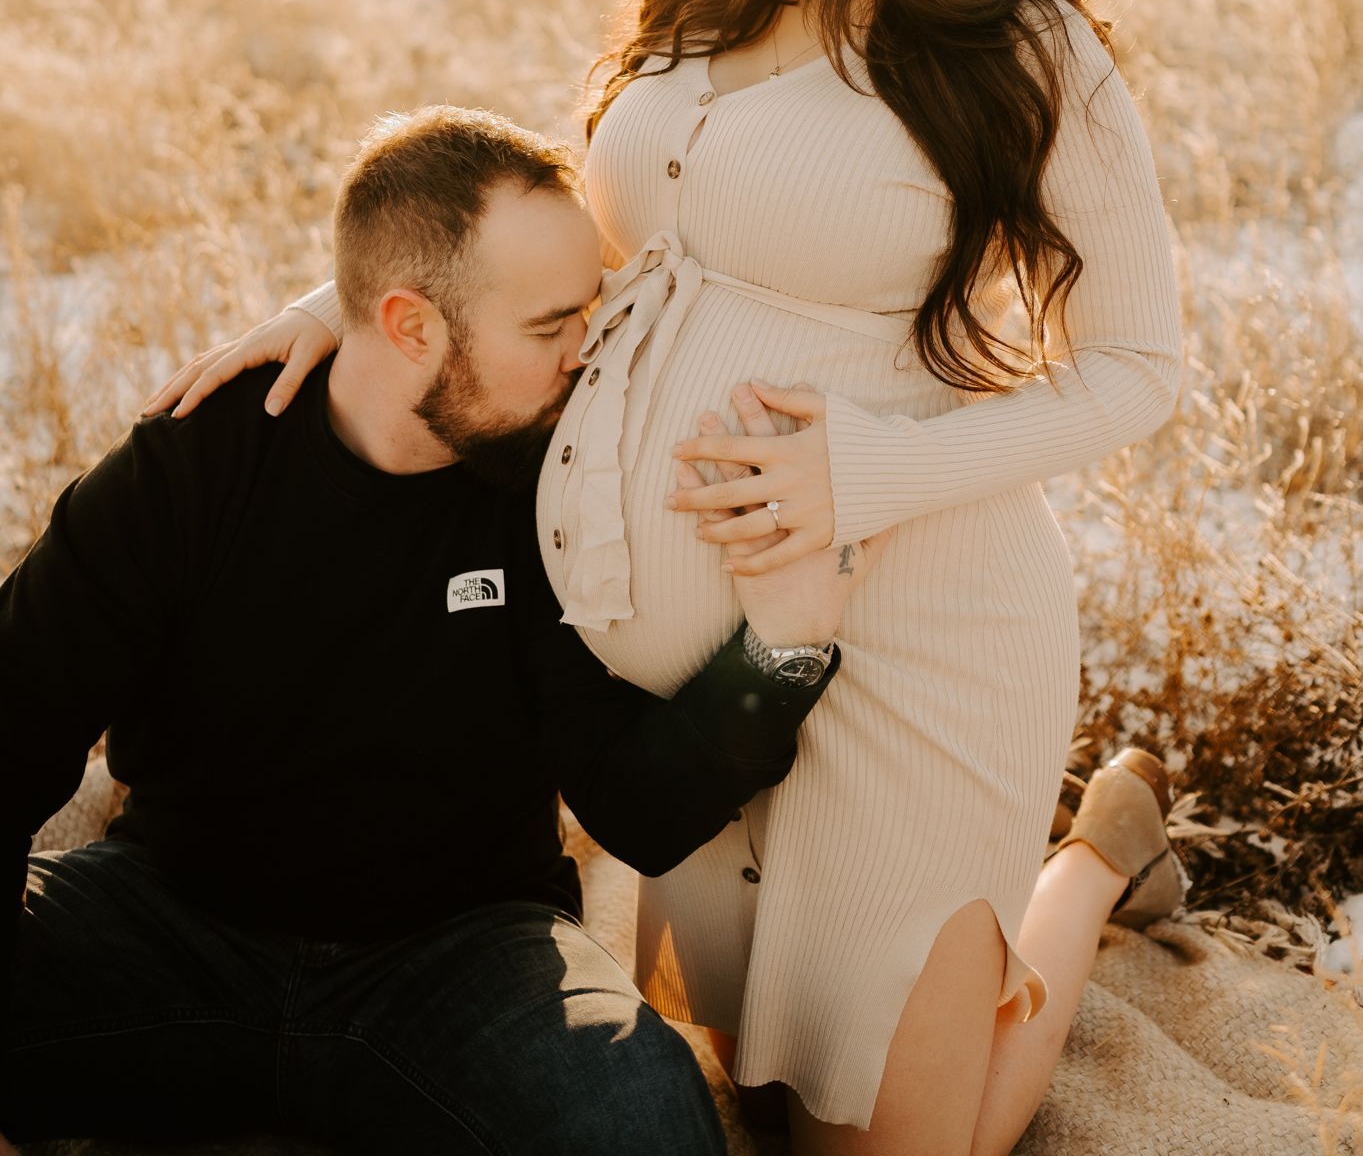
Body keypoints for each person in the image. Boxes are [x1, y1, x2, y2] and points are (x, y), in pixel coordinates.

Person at [148, 0, 1186, 1154]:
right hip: (681, 697)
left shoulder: (1016, 46)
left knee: (914, 1146)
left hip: (912, 635)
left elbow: (1136, 370)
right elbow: (606, 236)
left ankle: (1094, 856)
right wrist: (365, 299)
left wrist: (860, 474)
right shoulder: (704, 2)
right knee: (745, 1091)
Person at [0, 105, 872, 1156]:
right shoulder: (189, 468)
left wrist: (780, 653)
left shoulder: (551, 489)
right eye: (550, 326)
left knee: (643, 1125)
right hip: (174, 923)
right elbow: (18, 714)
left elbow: (631, 806)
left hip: (466, 959)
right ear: (411, 325)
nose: (583, 352)